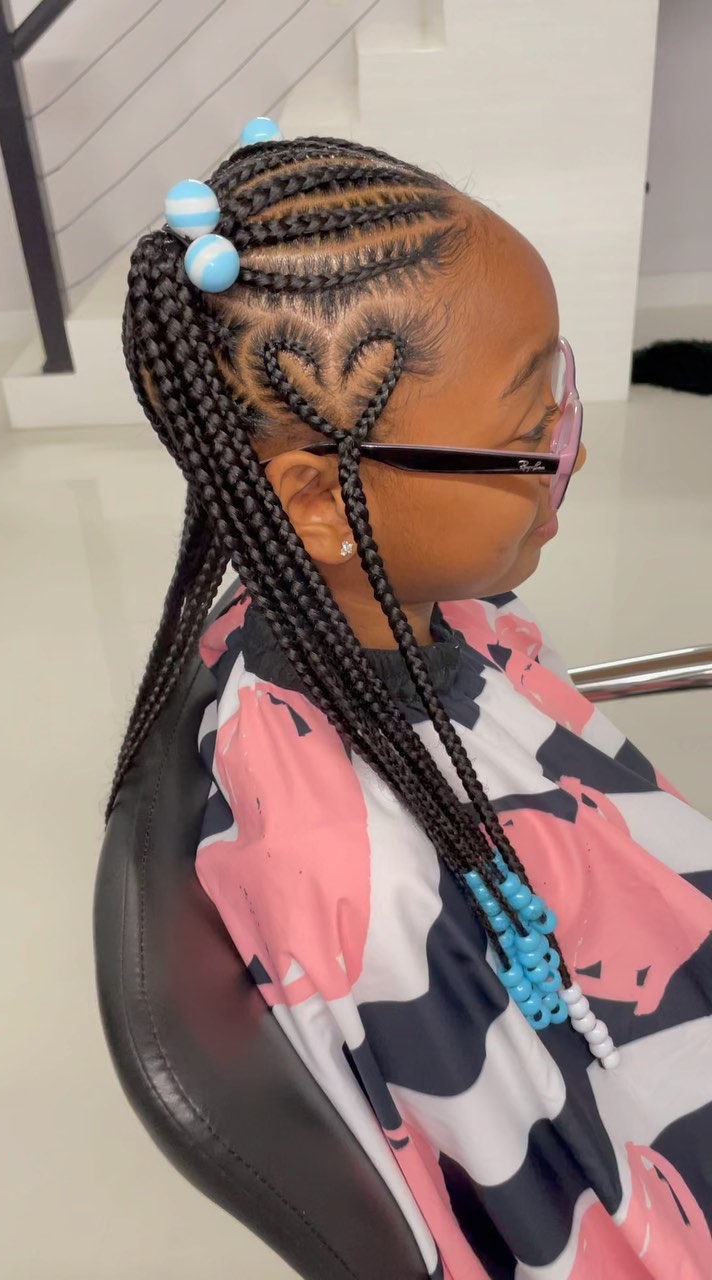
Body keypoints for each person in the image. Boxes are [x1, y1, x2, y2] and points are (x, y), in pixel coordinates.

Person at [108, 122, 712, 1279]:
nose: (571, 453)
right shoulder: (375, 896)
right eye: (531, 434)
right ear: (319, 503)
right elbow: (581, 1232)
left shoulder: (426, 615)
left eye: (559, 398)